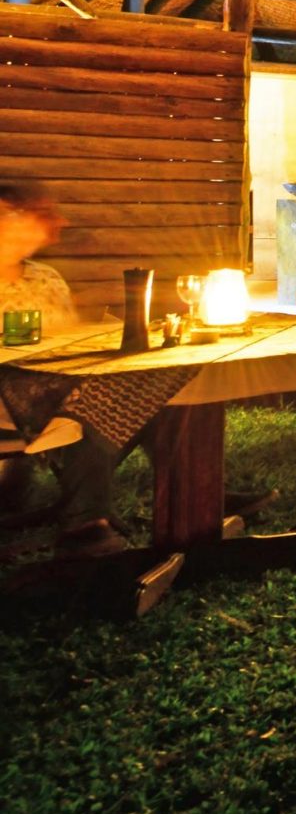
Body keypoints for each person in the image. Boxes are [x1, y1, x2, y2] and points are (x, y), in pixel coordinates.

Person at [0, 182, 126, 557]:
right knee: (92, 404)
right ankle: (85, 523)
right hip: (9, 399)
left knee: (160, 394)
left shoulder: (47, 278)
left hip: (61, 388)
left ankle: (198, 490)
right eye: (19, 216)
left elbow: (71, 342)